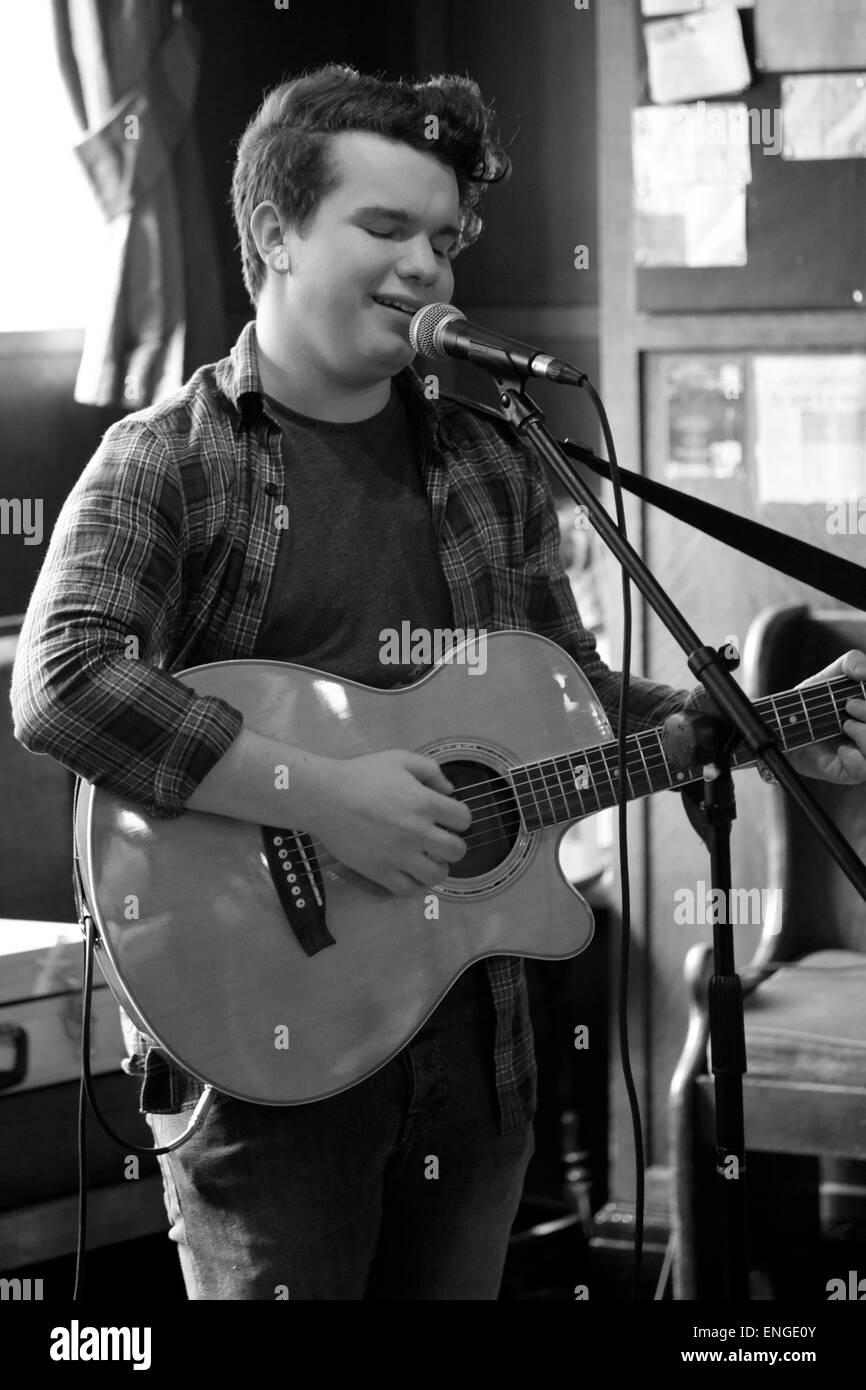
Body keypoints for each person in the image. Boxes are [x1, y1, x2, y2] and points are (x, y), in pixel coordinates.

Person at [11, 64, 866, 1301]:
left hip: (479, 1042)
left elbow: (569, 698)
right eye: (385, 227)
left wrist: (751, 728)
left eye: (445, 240)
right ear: (273, 234)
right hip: (265, 1059)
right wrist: (323, 795)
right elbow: (63, 682)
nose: (427, 267)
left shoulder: (491, 460)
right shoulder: (168, 461)